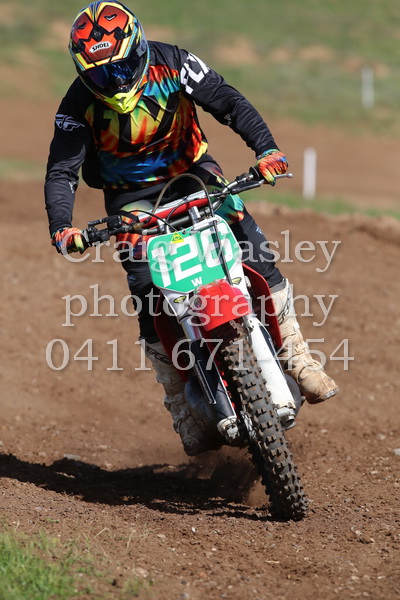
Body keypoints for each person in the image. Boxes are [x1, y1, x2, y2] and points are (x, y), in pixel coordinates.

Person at [45, 1, 339, 455]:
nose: (115, 82)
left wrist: (266, 150)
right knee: (146, 288)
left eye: (121, 67)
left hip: (195, 173)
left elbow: (229, 102)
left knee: (253, 249)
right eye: (101, 75)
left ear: (138, 48)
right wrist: (62, 226)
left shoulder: (175, 63)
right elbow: (62, 171)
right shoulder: (77, 104)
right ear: (84, 73)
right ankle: (180, 403)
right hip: (129, 196)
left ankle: (298, 359)